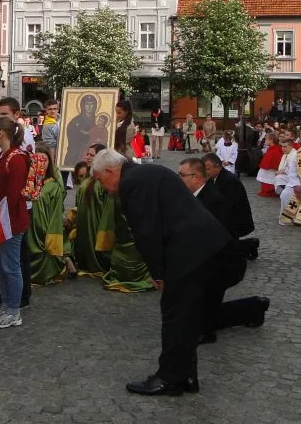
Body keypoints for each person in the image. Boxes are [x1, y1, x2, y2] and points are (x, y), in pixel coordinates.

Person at [92, 149, 229, 396]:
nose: (103, 187)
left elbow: (147, 231)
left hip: (189, 250)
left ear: (111, 171)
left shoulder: (132, 183)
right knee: (185, 316)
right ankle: (186, 375)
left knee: (175, 315)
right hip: (201, 245)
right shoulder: (145, 172)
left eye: (101, 180)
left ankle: (169, 378)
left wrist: (157, 273)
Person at [178, 160, 270, 342]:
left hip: (224, 263)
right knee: (203, 307)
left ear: (195, 177)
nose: (178, 178)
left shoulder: (212, 200)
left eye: (181, 175)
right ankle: (254, 307)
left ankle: (207, 332)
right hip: (212, 258)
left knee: (204, 304)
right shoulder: (198, 195)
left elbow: (215, 237)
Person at [0, 116, 31, 329]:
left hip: (11, 221)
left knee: (11, 266)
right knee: (0, 265)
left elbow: (12, 196)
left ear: (1, 133)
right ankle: (7, 305)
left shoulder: (16, 157)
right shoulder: (3, 156)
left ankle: (13, 309)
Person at [202, 153, 257, 259]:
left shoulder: (230, 181)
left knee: (226, 251)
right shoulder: (213, 178)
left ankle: (250, 244)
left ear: (217, 166)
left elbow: (228, 207)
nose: (205, 172)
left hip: (235, 221)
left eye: (207, 169)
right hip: (225, 217)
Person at [26, 144, 65, 286]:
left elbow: (56, 212)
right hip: (27, 226)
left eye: (45, 160)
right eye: (38, 159)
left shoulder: (53, 185)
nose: (41, 163)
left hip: (44, 229)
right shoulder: (27, 182)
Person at [71, 144, 111, 277]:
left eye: (91, 155)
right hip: (85, 221)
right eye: (87, 154)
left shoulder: (102, 180)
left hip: (96, 221)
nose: (87, 157)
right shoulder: (88, 177)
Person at [63, 93, 97, 167]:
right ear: (83, 106)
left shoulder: (98, 120)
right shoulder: (75, 122)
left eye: (92, 104)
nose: (89, 107)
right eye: (87, 104)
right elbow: (72, 141)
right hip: (78, 154)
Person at [255, 131, 283, 197]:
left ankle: (270, 191)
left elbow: (275, 162)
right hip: (268, 169)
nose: (265, 141)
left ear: (271, 140)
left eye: (266, 139)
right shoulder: (271, 149)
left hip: (272, 170)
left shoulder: (275, 150)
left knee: (269, 178)